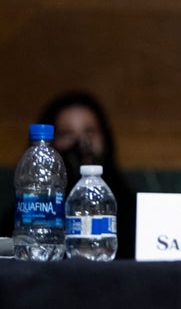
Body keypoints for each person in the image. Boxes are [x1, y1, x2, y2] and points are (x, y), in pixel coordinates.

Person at [36, 91, 137, 258]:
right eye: (67, 134)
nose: (81, 143)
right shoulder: (35, 209)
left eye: (89, 132)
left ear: (105, 139)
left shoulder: (131, 210)